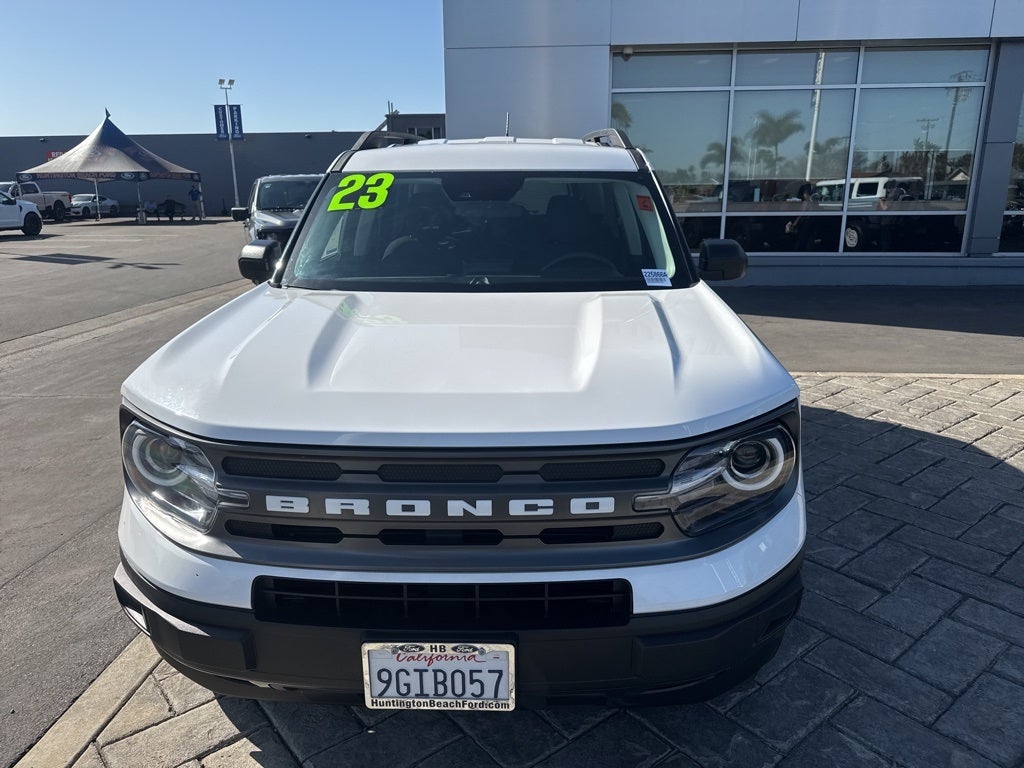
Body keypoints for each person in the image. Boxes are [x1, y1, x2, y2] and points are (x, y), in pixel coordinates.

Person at [785, 183, 818, 251]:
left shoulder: (813, 205)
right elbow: (799, 215)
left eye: (809, 193)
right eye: (806, 193)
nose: (807, 195)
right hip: (798, 228)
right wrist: (792, 224)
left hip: (807, 231)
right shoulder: (801, 203)